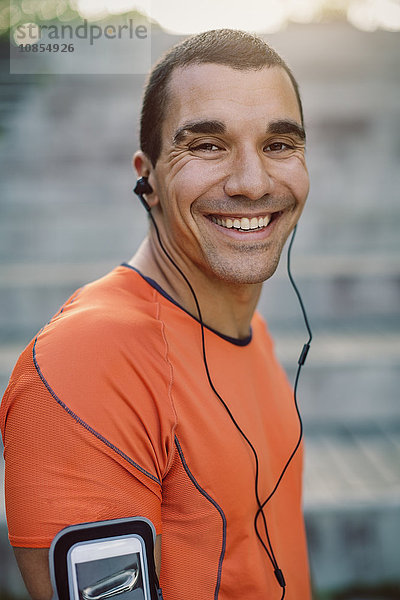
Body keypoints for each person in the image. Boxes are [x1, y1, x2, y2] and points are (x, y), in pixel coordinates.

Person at [0, 29, 311, 599]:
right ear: (147, 179)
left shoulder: (252, 331)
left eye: (279, 145)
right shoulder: (92, 362)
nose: (252, 182)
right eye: (208, 145)